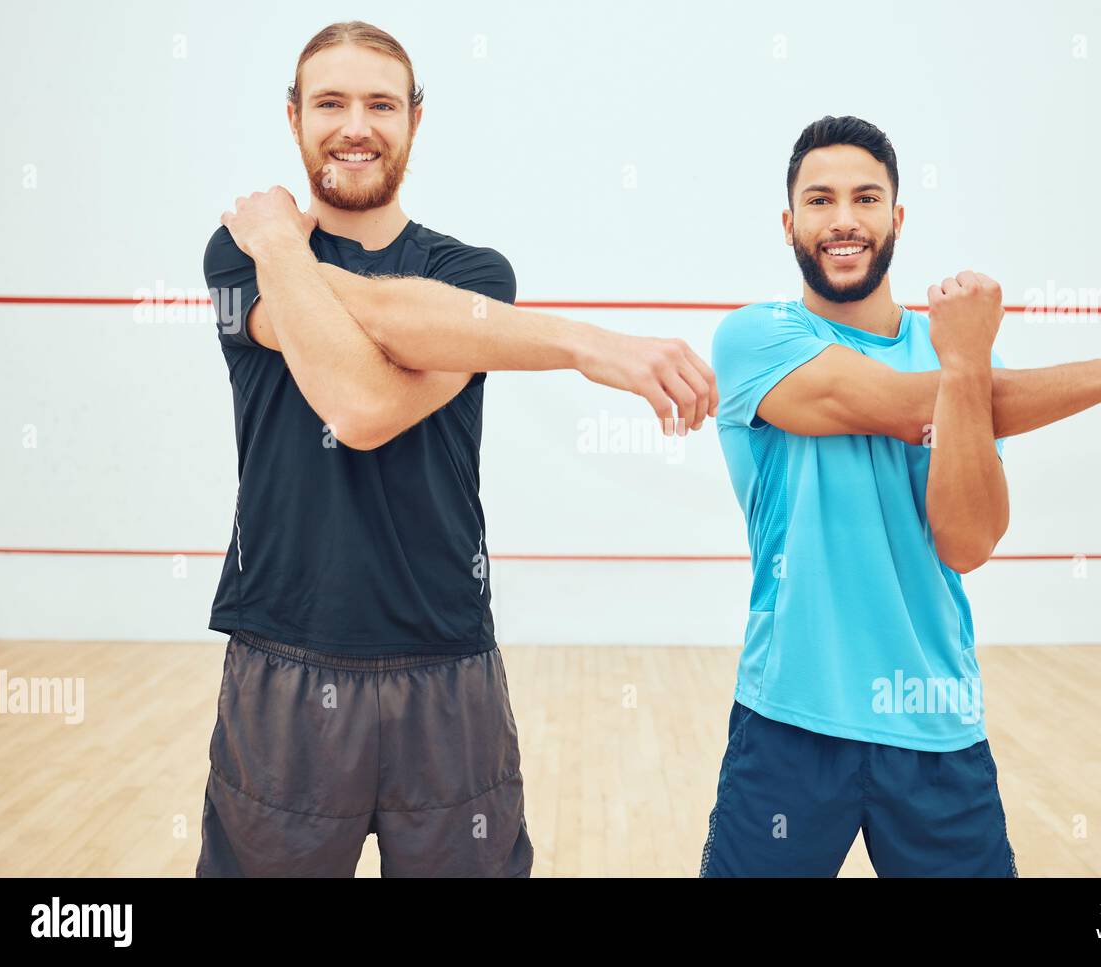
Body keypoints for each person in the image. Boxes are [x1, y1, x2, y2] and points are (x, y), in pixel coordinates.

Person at [197, 20, 716, 877]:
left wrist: (285, 244)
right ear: (293, 117)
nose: (355, 124)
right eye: (330, 102)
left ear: (415, 120)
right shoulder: (237, 253)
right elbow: (360, 402)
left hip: (447, 671)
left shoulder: (473, 276)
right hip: (281, 662)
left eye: (380, 104)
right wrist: (562, 344)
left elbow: (366, 385)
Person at [700, 115, 1101, 877]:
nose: (844, 219)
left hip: (935, 726)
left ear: (897, 217)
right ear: (789, 224)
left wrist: (970, 364)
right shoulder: (755, 339)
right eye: (820, 200)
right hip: (788, 725)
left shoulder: (965, 361)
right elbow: (900, 402)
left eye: (866, 198)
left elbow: (967, 542)